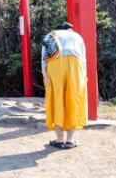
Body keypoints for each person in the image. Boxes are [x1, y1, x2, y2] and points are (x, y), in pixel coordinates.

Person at [41, 21, 88, 149]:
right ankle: (70, 140)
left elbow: (44, 58)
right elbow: (83, 59)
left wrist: (45, 76)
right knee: (74, 99)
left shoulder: (50, 35)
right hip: (75, 66)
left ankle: (60, 139)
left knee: (57, 99)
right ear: (69, 29)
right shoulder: (77, 37)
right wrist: (83, 76)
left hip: (55, 67)